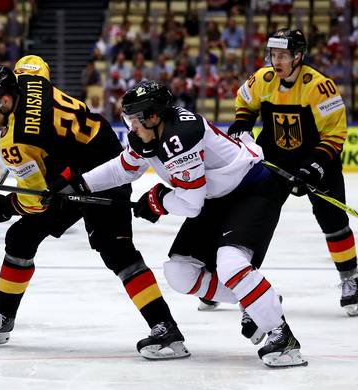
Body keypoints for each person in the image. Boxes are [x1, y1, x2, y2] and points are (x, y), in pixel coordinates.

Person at [0, 56, 190, 360]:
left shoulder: (17, 142)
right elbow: (34, 63)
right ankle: (3, 315)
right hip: (80, 161)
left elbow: (34, 199)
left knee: (116, 251)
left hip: (102, 170)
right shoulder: (28, 80)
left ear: (5, 100)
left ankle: (166, 328)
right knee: (21, 238)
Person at [70, 80, 307, 368]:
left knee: (230, 262)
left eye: (134, 120)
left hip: (251, 191)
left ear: (154, 116)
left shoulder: (180, 136)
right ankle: (255, 300)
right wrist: (80, 184)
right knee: (179, 272)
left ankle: (283, 337)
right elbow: (124, 168)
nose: (131, 127)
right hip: (215, 198)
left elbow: (191, 204)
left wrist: (159, 200)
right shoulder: (148, 135)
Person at [229, 29, 357, 317]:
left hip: (318, 161)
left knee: (333, 220)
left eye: (283, 55)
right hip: (275, 161)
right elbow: (244, 103)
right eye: (274, 54)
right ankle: (234, 281)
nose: (277, 60)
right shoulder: (263, 79)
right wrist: (242, 123)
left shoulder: (318, 86)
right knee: (253, 219)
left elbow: (335, 134)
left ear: (299, 56)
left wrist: (313, 167)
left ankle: (351, 279)